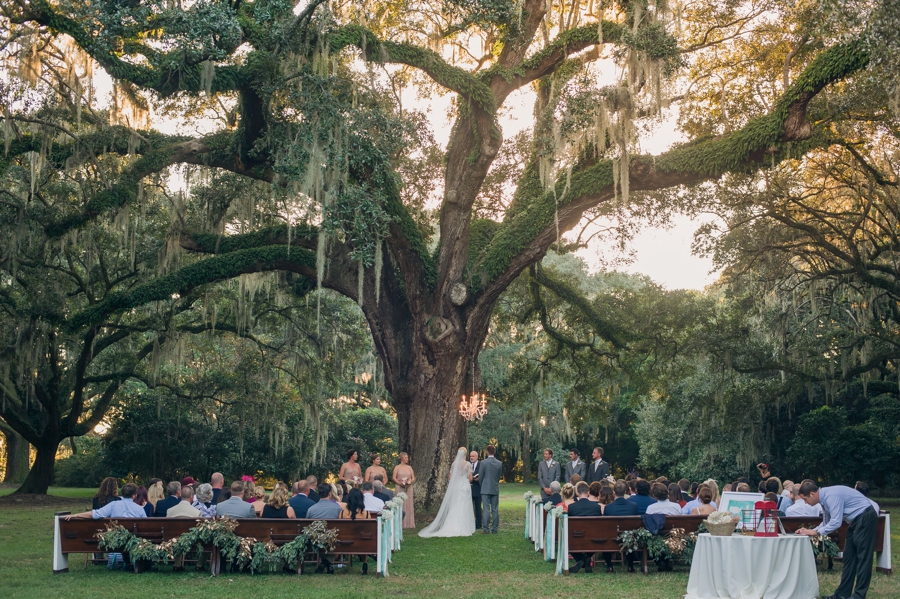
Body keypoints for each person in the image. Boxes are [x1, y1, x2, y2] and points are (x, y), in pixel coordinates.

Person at [796, 481, 878, 599]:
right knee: (849, 558)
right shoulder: (824, 499)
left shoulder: (830, 496)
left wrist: (816, 532)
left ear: (812, 494)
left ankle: (859, 595)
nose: (805, 502)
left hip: (865, 518)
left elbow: (836, 522)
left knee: (863, 558)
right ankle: (842, 594)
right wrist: (810, 531)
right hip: (855, 521)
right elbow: (826, 522)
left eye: (805, 499)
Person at [419, 447, 476, 538]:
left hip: (456, 486)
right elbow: (470, 478)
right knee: (464, 505)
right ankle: (464, 527)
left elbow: (450, 477)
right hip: (465, 486)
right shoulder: (468, 464)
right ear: (465, 454)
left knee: (455, 505)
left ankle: (451, 525)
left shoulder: (454, 464)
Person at [603, 480, 639, 572]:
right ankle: (630, 566)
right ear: (625, 492)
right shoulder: (633, 506)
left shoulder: (608, 507)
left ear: (614, 493)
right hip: (630, 536)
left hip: (612, 537)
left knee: (606, 536)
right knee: (630, 534)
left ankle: (609, 566)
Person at [567, 481, 601, 573]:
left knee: (567, 540)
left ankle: (581, 560)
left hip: (575, 537)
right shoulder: (596, 507)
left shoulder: (571, 507)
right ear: (588, 492)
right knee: (598, 539)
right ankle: (587, 558)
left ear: (577, 493)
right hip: (593, 538)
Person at [340, 488, 374, 574]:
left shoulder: (342, 513)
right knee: (362, 538)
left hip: (345, 542)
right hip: (361, 543)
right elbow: (368, 530)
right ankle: (364, 562)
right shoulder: (366, 513)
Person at [66, 483, 146, 520]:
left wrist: (76, 515)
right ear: (134, 495)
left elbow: (96, 514)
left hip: (116, 541)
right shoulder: (139, 509)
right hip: (133, 542)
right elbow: (146, 524)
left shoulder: (113, 505)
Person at [479, 444, 503, 534]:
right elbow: (498, 476)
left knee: (486, 509)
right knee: (495, 509)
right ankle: (494, 529)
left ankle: (486, 529)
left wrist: (482, 484)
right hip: (495, 487)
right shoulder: (499, 463)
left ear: (487, 452)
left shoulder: (483, 463)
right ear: (495, 452)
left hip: (485, 488)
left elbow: (480, 476)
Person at [392, 452, 416, 528]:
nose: (407, 459)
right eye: (405, 457)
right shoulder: (397, 467)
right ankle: (400, 523)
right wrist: (400, 483)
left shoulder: (409, 467)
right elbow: (394, 477)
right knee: (400, 503)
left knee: (408, 504)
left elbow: (413, 477)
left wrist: (410, 482)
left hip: (408, 487)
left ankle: (409, 523)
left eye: (407, 457)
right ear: (401, 458)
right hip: (399, 487)